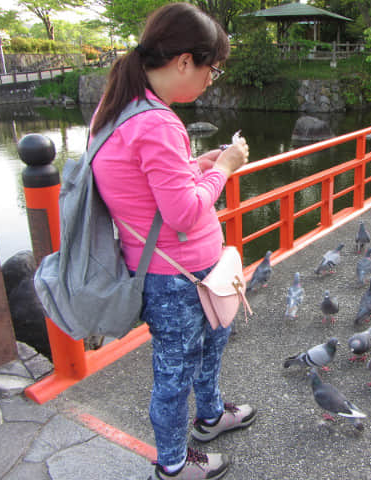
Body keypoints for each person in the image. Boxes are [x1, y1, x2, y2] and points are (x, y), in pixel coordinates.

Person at [90, 3, 254, 479]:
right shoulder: (157, 122)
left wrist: (194, 167)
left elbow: (145, 189)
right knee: (173, 377)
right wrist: (224, 168)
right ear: (185, 61)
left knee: (204, 352)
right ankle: (174, 466)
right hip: (176, 277)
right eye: (211, 70)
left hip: (183, 270)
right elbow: (182, 212)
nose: (209, 80)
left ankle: (209, 416)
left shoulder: (120, 105)